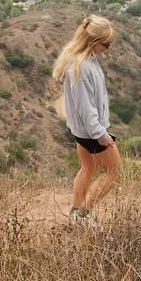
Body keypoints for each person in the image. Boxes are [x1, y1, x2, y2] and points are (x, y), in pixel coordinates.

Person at [53, 14, 121, 225]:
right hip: (92, 132)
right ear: (93, 41)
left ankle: (76, 213)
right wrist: (101, 134)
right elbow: (86, 107)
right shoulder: (81, 67)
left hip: (82, 131)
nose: (107, 49)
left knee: (87, 168)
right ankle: (84, 214)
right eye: (105, 44)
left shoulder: (82, 61)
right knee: (114, 172)